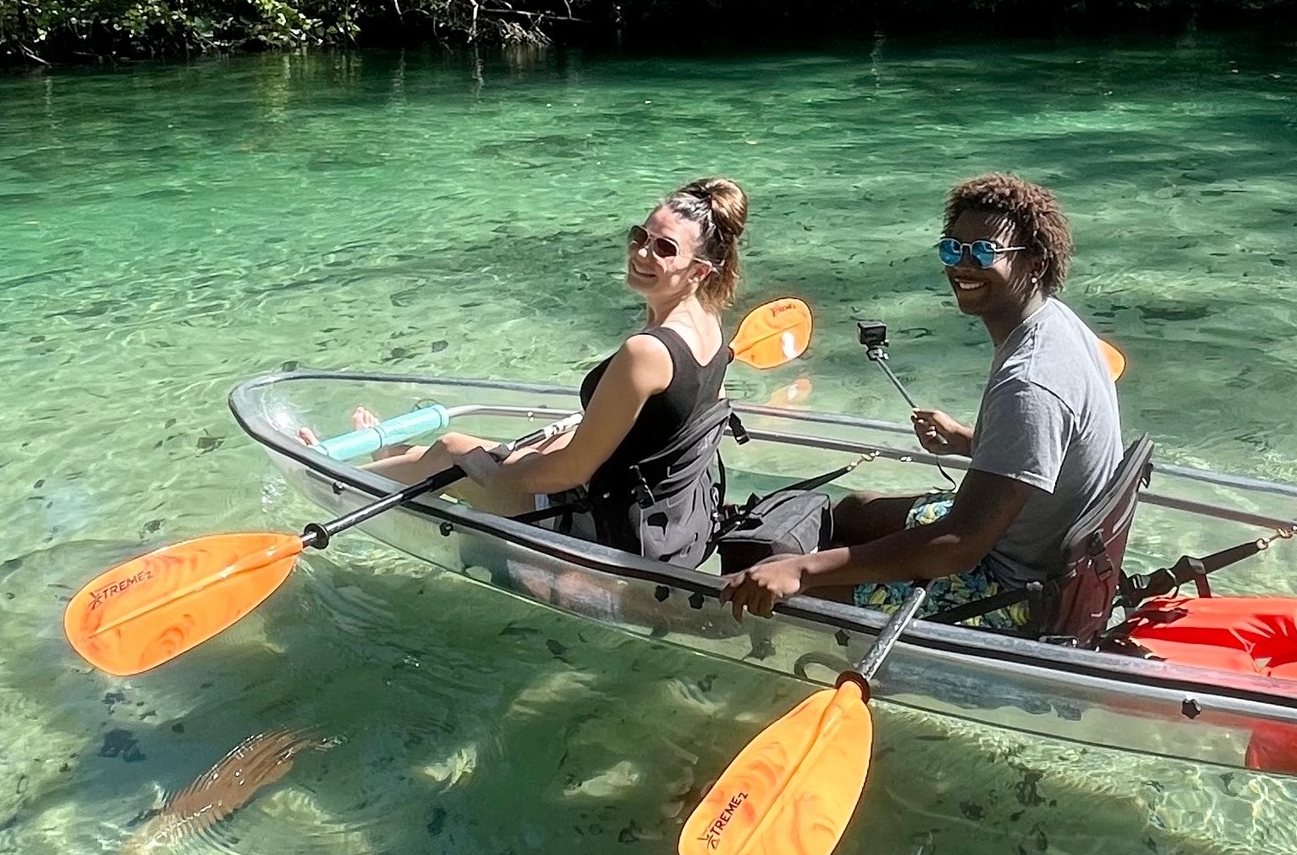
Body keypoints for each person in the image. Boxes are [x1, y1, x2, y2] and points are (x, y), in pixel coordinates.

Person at [718, 173, 1120, 631]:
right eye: (953, 249)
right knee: (852, 511)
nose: (963, 266)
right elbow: (1048, 452)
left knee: (775, 600)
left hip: (1008, 590)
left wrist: (800, 571)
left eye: (985, 252)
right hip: (1022, 546)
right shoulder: (1058, 326)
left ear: (1036, 262)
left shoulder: (1030, 383)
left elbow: (957, 545)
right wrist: (968, 442)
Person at [321, 177, 749, 567]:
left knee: (454, 450)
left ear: (699, 271)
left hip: (608, 535)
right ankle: (391, 464)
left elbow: (571, 473)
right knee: (493, 452)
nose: (641, 253)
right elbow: (664, 434)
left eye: (664, 248)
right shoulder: (708, 324)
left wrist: (498, 473)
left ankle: (335, 482)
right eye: (641, 236)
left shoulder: (647, 352)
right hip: (674, 526)